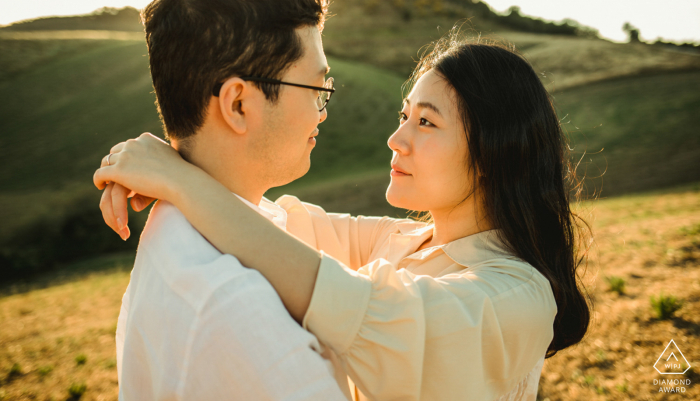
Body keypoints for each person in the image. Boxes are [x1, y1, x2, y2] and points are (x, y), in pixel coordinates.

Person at [95, 27, 593, 399]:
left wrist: (177, 180)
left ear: (492, 154)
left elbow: (351, 304)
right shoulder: (401, 243)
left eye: (426, 122)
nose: (397, 140)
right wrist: (160, 164)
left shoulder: (519, 296)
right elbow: (271, 223)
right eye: (404, 117)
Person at [100, 0, 350, 400]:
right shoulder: (241, 313)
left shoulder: (182, 229)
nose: (323, 110)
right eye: (317, 88)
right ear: (238, 104)